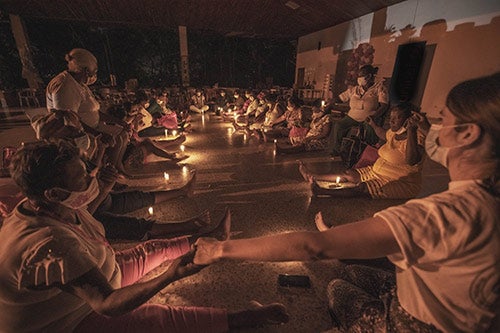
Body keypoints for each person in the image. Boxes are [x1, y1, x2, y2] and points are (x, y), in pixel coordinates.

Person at [194, 73, 500, 332]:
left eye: (442, 120)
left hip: (412, 324)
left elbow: (312, 247)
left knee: (337, 288)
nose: (432, 130)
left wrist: (221, 249)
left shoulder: (441, 213)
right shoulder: (487, 201)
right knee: (354, 272)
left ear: (468, 133)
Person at [0, 140, 289, 332]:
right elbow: (107, 304)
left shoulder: (51, 206)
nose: (92, 179)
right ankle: (239, 321)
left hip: (96, 276)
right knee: (154, 319)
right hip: (69, 320)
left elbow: (88, 215)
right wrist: (170, 276)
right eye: (83, 178)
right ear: (53, 193)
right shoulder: (48, 243)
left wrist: (100, 187)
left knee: (147, 251)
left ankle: (204, 238)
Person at [301, 103, 428, 199]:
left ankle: (323, 191)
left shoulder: (417, 138)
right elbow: (383, 134)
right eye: (391, 117)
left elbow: (412, 160)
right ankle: (313, 176)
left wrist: (412, 130)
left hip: (398, 181)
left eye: (397, 118)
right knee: (349, 173)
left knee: (361, 188)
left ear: (408, 120)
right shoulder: (394, 134)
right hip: (375, 171)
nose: (392, 121)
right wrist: (373, 125)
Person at [43, 48, 131, 175]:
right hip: (77, 133)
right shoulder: (65, 85)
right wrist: (96, 134)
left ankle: (115, 167)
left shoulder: (80, 84)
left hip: (94, 126)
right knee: (113, 139)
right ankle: (105, 174)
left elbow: (94, 111)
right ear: (85, 70)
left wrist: (120, 123)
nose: (94, 76)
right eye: (93, 72)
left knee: (122, 134)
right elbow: (68, 120)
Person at [331, 64, 389, 157]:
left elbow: (384, 106)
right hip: (352, 117)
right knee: (339, 125)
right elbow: (341, 98)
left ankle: (367, 152)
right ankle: (337, 150)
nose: (359, 78)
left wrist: (374, 116)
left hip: (369, 117)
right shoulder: (355, 89)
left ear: (369, 76)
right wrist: (330, 102)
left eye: (361, 75)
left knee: (370, 128)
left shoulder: (379, 88)